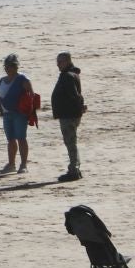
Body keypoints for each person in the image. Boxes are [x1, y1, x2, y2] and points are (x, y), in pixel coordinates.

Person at [0, 53, 34, 173]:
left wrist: (30, 113)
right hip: (6, 114)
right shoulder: (2, 80)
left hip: (19, 114)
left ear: (15, 67)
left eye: (9, 66)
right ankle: (11, 164)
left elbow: (32, 96)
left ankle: (23, 165)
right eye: (5, 66)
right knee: (10, 140)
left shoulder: (23, 79)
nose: (7, 68)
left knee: (21, 138)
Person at [49, 52, 85, 181]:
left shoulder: (68, 76)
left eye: (60, 62)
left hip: (69, 115)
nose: (58, 65)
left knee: (70, 143)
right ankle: (75, 169)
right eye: (57, 62)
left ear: (67, 61)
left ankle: (74, 170)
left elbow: (75, 96)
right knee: (71, 142)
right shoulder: (70, 74)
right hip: (70, 114)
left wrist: (79, 107)